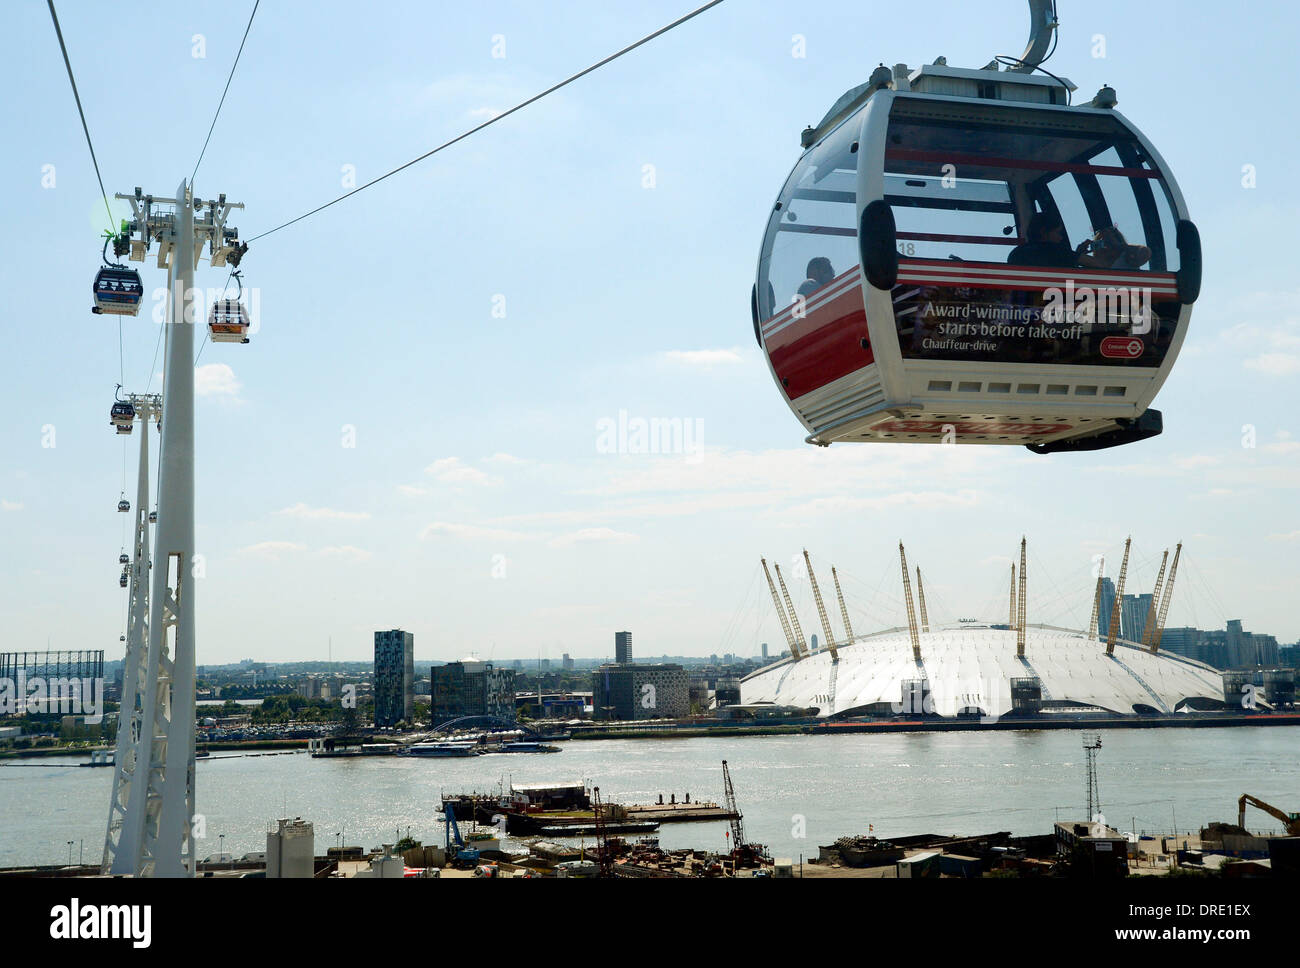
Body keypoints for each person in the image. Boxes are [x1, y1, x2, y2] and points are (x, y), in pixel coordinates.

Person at [1007, 212, 1087, 268]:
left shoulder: (1016, 253)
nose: (1061, 238)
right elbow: (1098, 264)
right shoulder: (1055, 252)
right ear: (1044, 232)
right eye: (1058, 233)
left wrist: (1077, 254)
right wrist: (1098, 246)